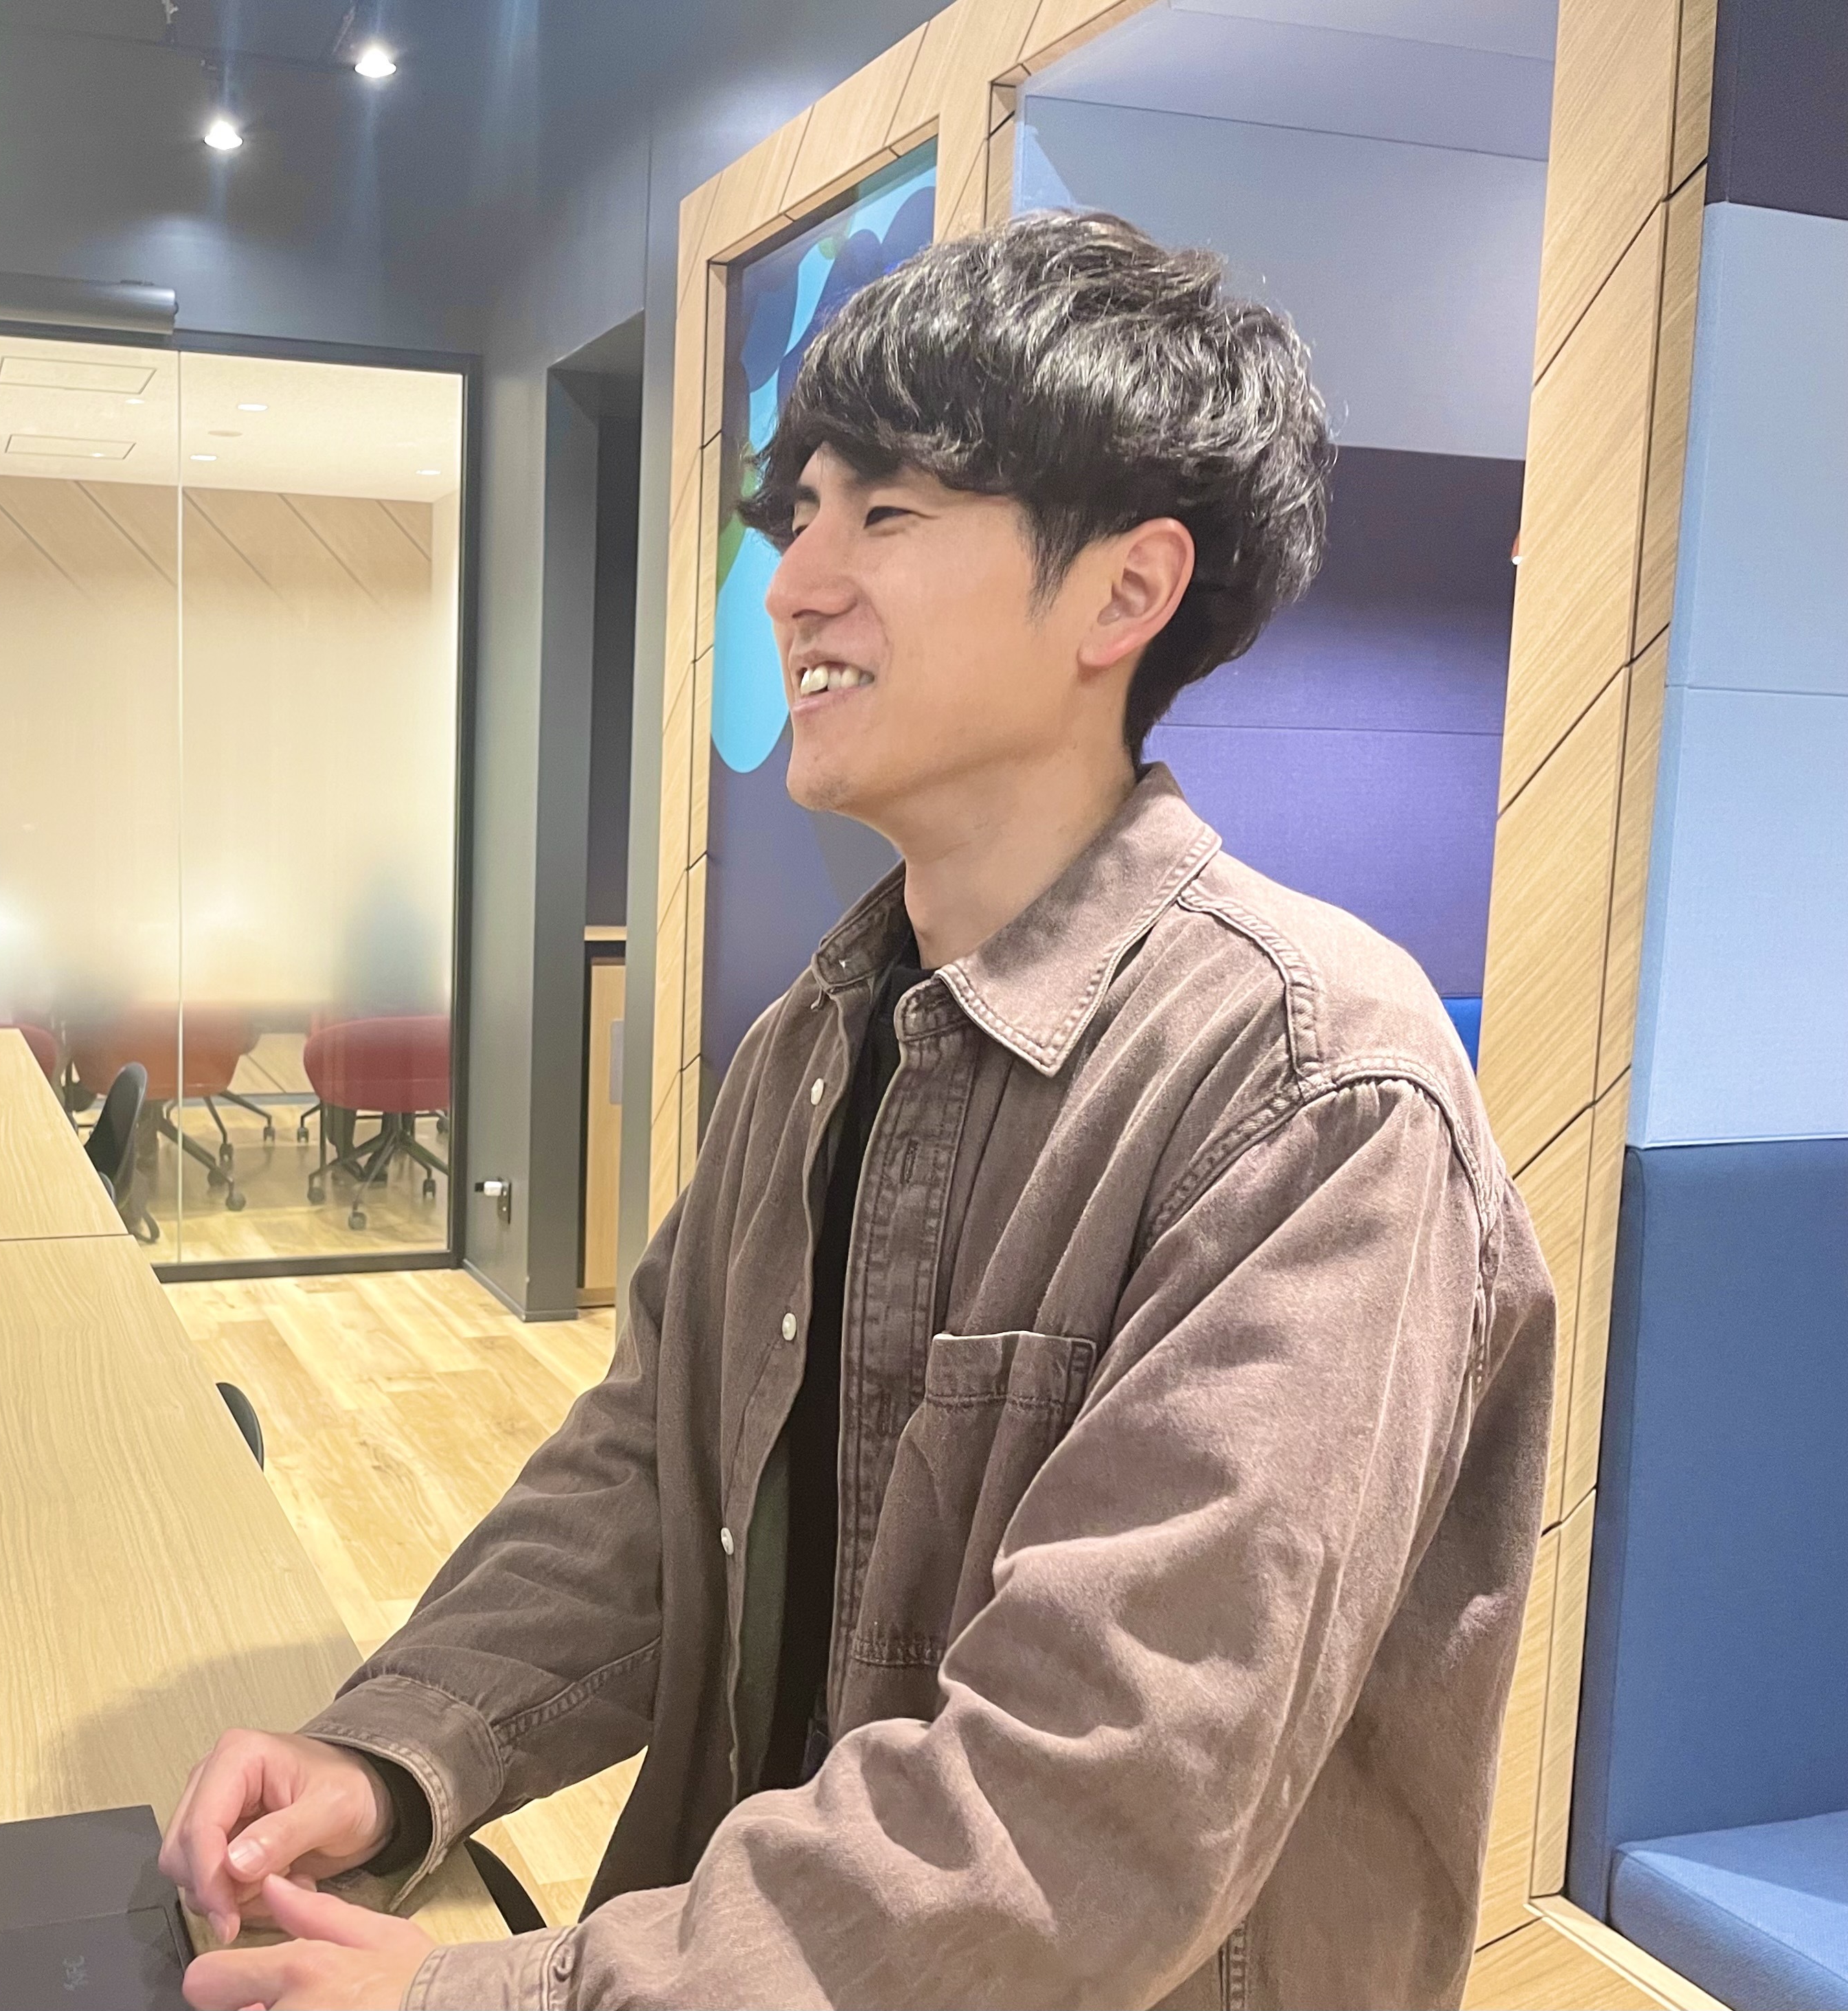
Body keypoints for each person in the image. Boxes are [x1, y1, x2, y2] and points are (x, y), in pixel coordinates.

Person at [160, 210, 1556, 2010]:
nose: (796, 584)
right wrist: (394, 1745)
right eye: (800, 514)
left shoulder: (1313, 1095)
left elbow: (1095, 1809)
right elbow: (648, 1478)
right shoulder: (817, 1037)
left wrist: (493, 1997)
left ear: (1123, 594)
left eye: (885, 514)